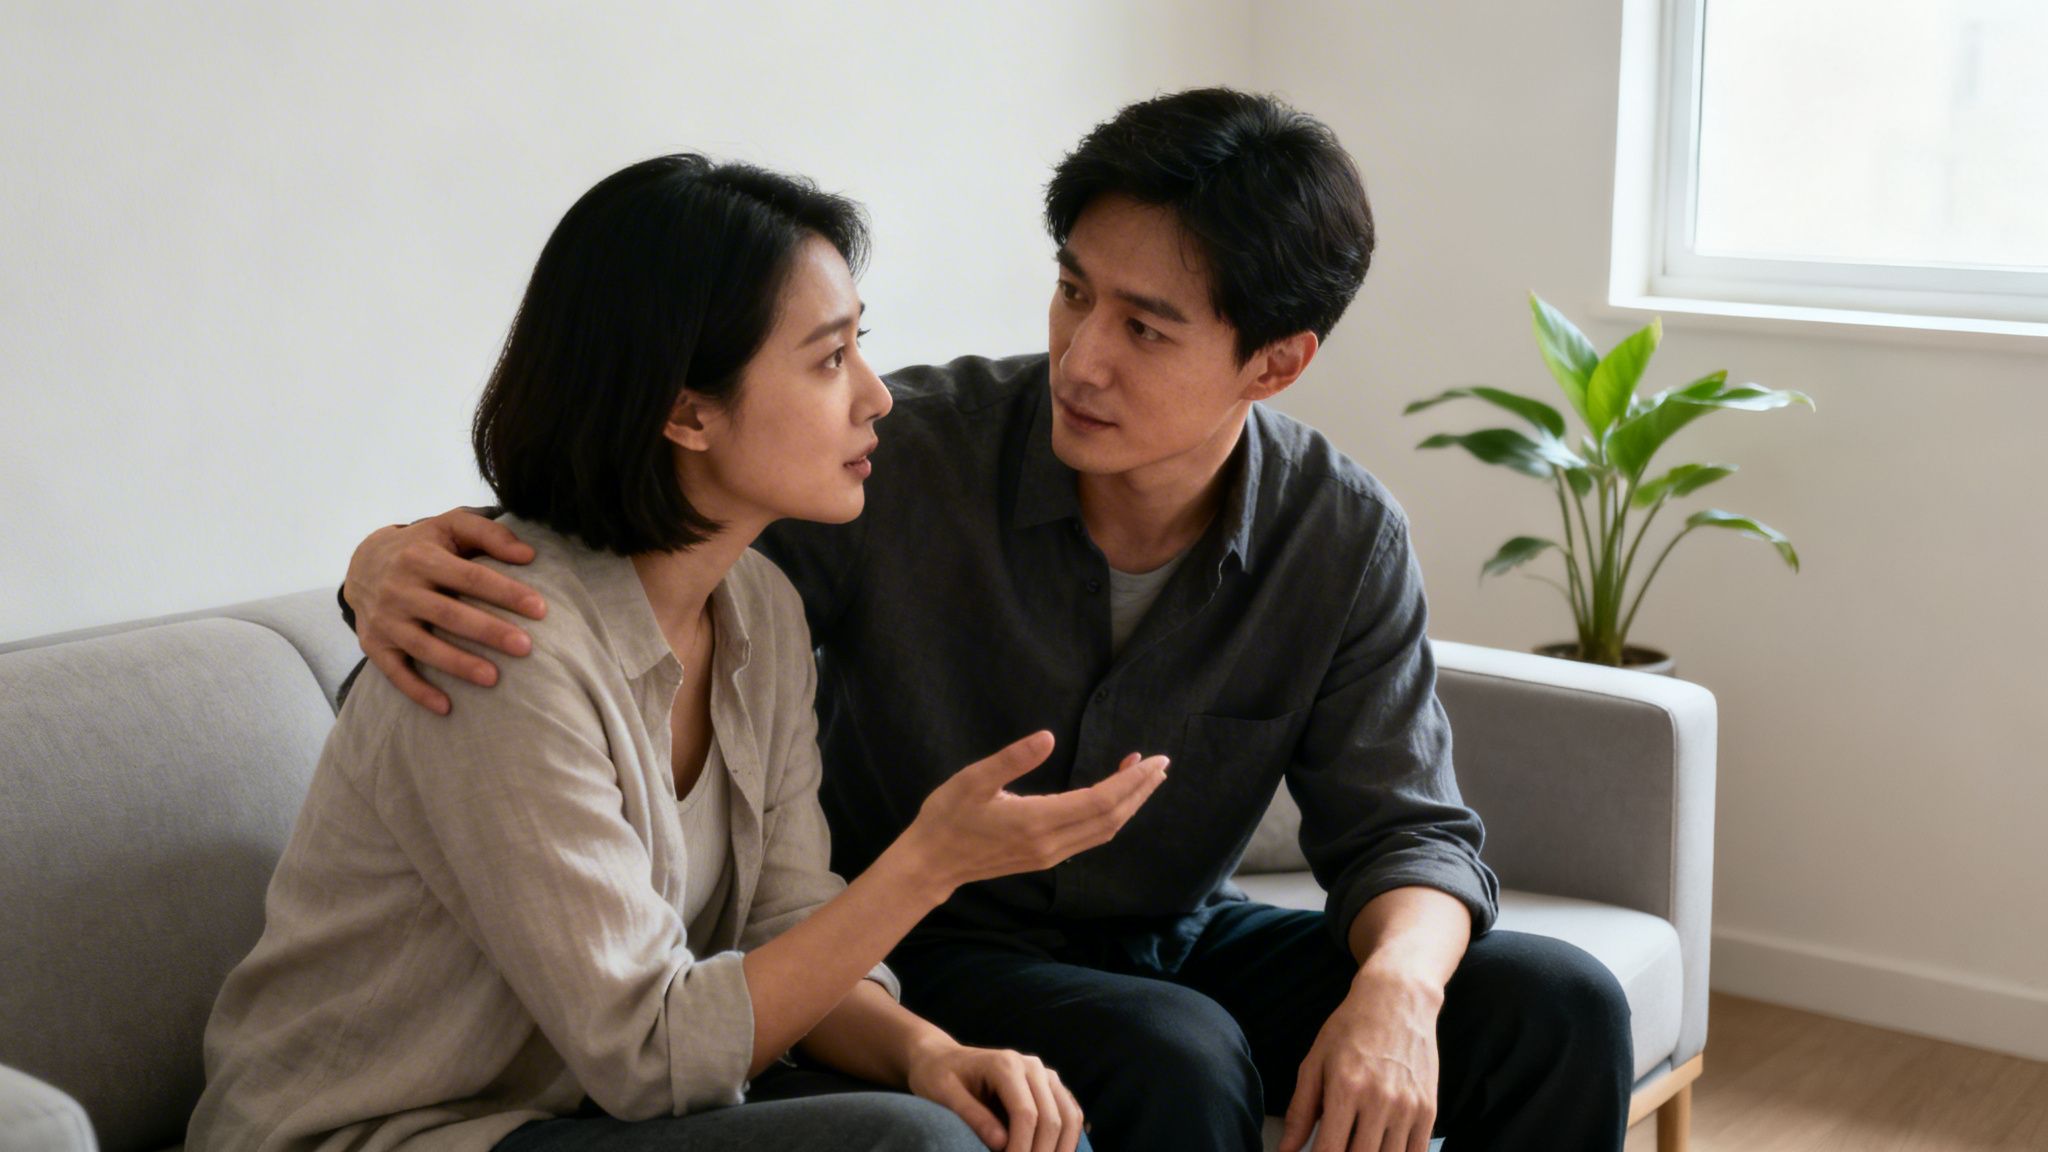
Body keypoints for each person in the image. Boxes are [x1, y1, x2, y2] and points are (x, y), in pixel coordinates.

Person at [343, 91, 1634, 1151]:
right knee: (1176, 1055)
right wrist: (379, 562)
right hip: (935, 946)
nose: (1081, 356)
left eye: (1145, 326)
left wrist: (1399, 995)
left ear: (1275, 362)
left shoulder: (1338, 536)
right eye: (1075, 292)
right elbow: (621, 513)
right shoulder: (899, 469)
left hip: (1167, 934)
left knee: (1554, 1005)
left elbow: (1410, 829)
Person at [190, 154, 1172, 1152]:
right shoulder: (498, 650)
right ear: (685, 410)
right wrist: (930, 863)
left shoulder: (760, 609)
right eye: (829, 359)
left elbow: (785, 926)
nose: (875, 396)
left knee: (1004, 1123)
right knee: (910, 1147)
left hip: (583, 1113)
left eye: (858, 347)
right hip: (401, 1133)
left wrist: (926, 1054)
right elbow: (649, 1058)